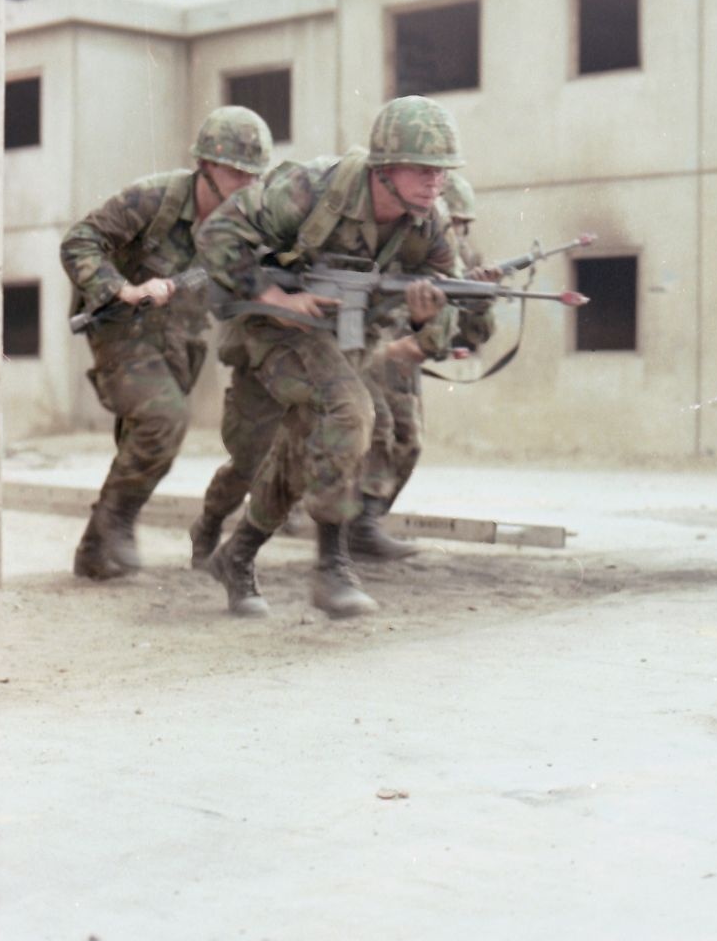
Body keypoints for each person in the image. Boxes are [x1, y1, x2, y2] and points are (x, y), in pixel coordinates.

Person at [194, 96, 464, 618]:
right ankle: (332, 566)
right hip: (274, 327)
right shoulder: (309, 190)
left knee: (304, 444)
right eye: (425, 170)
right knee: (349, 411)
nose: (437, 183)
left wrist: (427, 318)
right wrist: (277, 299)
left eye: (443, 173)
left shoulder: (430, 223)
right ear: (385, 168)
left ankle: (239, 552)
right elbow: (217, 235)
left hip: (342, 338)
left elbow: (446, 298)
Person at [62, 106, 272, 580]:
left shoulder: (246, 222)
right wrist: (123, 289)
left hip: (179, 338)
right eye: (235, 172)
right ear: (206, 166)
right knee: (163, 419)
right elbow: (79, 241)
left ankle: (95, 551)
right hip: (121, 325)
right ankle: (117, 523)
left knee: (143, 436)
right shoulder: (153, 198)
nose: (244, 184)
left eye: (252, 176)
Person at [346, 172, 501, 562]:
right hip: (375, 357)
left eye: (465, 226)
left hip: (404, 369)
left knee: (409, 443)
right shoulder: (406, 252)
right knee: (376, 435)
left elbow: (473, 335)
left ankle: (367, 522)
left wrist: (481, 298)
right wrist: (391, 346)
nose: (460, 234)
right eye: (454, 223)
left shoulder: (461, 263)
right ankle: (358, 526)